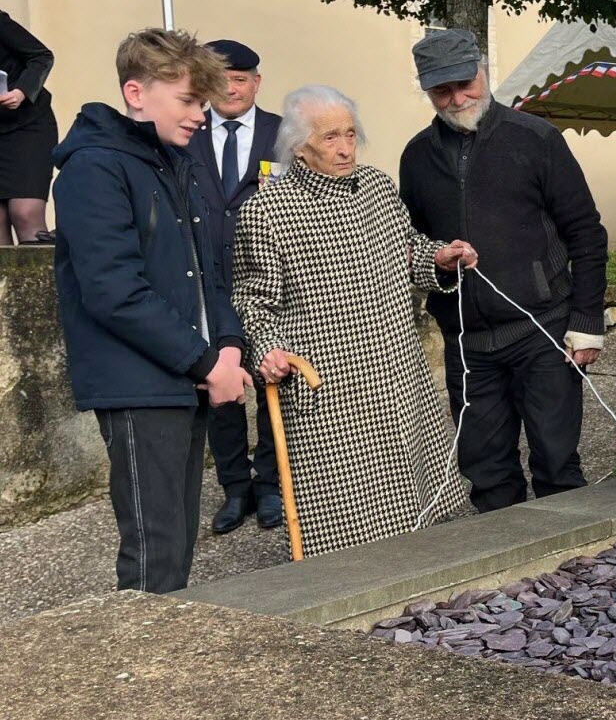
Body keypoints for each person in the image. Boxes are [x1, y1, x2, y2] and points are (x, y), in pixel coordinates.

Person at [231, 85, 477, 556]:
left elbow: (407, 252)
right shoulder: (266, 211)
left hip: (397, 374)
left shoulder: (379, 189)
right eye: (329, 138)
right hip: (330, 394)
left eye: (350, 134)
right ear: (299, 146)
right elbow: (253, 302)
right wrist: (267, 351)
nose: (345, 149)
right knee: (345, 528)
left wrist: (440, 259)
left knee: (419, 506)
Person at [51, 29, 252, 593]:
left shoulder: (171, 163)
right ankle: (135, 677)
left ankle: (168, 670)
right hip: (138, 382)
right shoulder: (94, 169)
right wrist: (204, 362)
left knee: (176, 541)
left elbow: (207, 273)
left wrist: (229, 344)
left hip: (181, 376)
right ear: (136, 93)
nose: (199, 116)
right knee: (153, 552)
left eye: (204, 104)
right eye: (189, 100)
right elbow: (113, 290)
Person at [399, 29, 608, 513]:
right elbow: (412, 242)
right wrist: (437, 257)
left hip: (544, 330)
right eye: (441, 90)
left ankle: (571, 572)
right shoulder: (416, 157)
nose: (457, 98)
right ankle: (506, 579)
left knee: (557, 464)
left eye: (464, 83)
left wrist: (587, 323)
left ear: (482, 69)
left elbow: (587, 233)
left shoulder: (536, 139)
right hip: (468, 341)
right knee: (486, 471)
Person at [186, 39, 283, 535]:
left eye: (240, 79)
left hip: (267, 279)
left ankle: (270, 485)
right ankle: (234, 488)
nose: (230, 88)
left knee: (270, 384)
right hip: (206, 283)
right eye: (220, 79)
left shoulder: (283, 133)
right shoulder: (186, 132)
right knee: (219, 390)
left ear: (256, 83)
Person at [0, 10, 58, 245]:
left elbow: (42, 56)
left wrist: (21, 91)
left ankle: (44, 283)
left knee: (25, 213)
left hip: (28, 125)